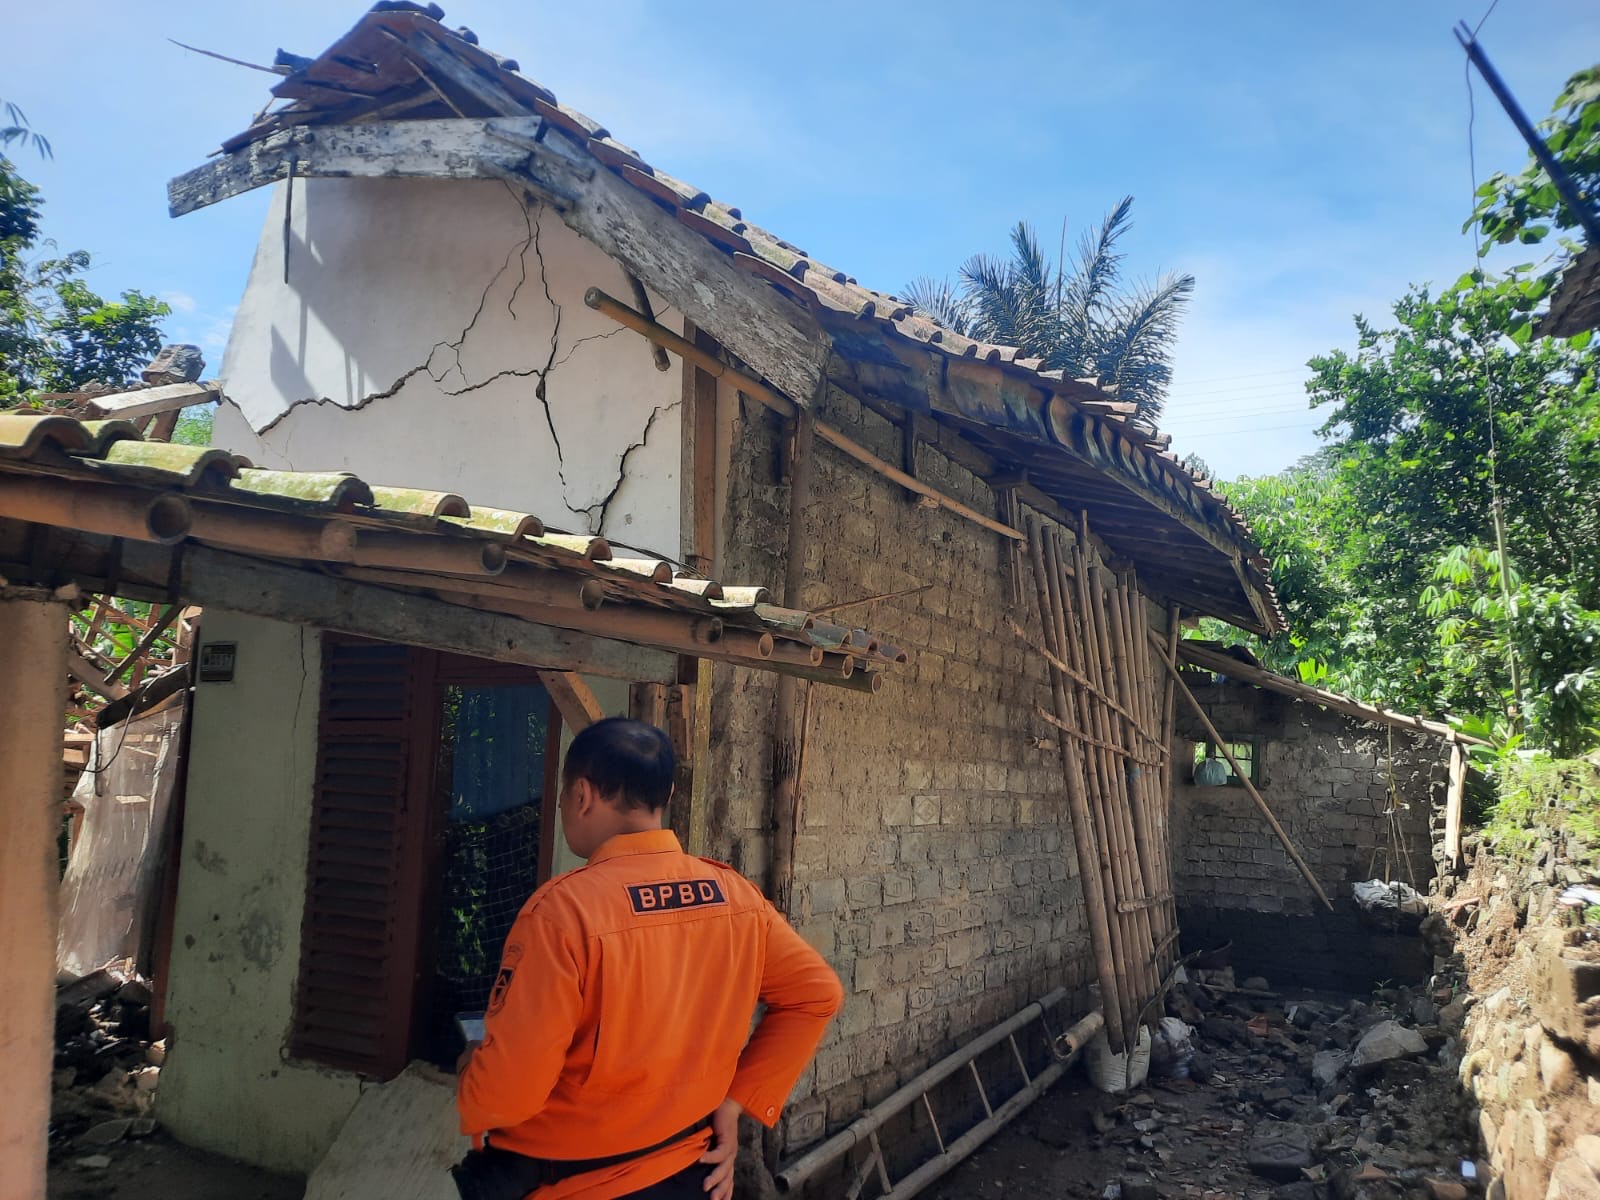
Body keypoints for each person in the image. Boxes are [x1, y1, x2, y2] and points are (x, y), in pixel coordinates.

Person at [455, 717, 843, 1200]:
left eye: (561, 799)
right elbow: (817, 996)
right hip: (690, 1175)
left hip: (572, 1185)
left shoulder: (563, 913)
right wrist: (733, 1102)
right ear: (669, 792)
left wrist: (472, 1072)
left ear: (581, 795)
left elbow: (507, 1096)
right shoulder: (735, 897)